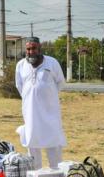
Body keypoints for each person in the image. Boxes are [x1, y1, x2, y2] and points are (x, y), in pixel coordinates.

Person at [15, 36, 67, 169]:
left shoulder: (52, 63)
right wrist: (32, 97)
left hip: (50, 113)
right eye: (28, 49)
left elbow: (60, 83)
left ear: (39, 49)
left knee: (53, 145)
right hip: (31, 113)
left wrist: (47, 95)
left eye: (33, 48)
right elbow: (20, 86)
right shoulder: (21, 65)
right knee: (33, 146)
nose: (30, 52)